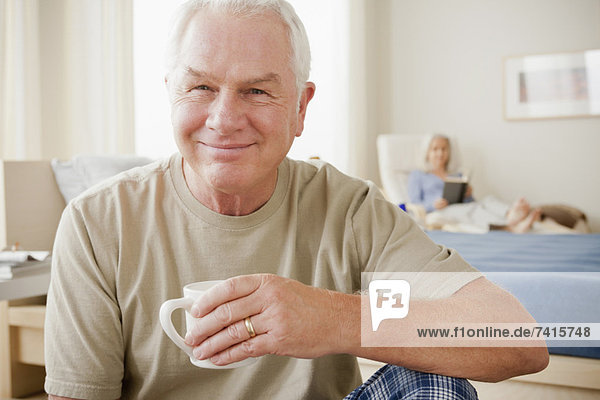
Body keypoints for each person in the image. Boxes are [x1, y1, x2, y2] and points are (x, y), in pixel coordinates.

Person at [44, 1, 548, 399]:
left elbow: (517, 340)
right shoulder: (96, 224)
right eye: (200, 86)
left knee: (439, 386)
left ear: (302, 107)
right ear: (172, 92)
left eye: (257, 92)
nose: (224, 118)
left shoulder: (348, 210)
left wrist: (333, 319)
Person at [408, 134, 542, 233]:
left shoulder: (456, 174)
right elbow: (413, 204)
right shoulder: (418, 175)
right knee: (474, 210)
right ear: (427, 152)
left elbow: (471, 202)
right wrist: (433, 205)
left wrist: (468, 194)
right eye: (435, 149)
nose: (440, 153)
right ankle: (511, 224)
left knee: (488, 200)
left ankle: (510, 214)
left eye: (444, 149)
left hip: (463, 206)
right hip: (441, 210)